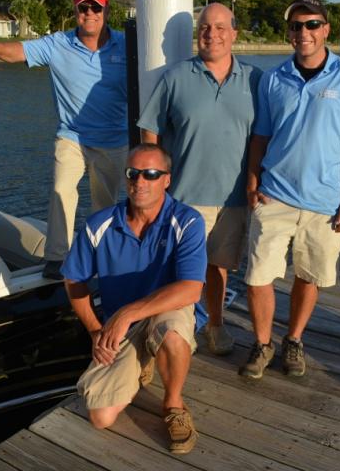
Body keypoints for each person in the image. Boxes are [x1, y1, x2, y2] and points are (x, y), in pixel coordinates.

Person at [240, 0, 340, 380]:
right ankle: (263, 342)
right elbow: (260, 136)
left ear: (326, 29)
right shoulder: (273, 78)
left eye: (312, 24)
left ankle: (294, 339)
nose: (304, 32)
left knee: (309, 274)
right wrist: (252, 180)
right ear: (289, 32)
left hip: (326, 200)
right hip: (274, 194)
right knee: (258, 276)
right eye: (297, 25)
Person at [0, 0, 127, 280]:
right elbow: (18, 51)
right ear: (75, 10)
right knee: (62, 191)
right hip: (71, 137)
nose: (90, 13)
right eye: (83, 7)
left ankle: (102, 257)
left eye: (96, 8)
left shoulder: (126, 45)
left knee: (105, 205)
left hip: (113, 140)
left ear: (106, 10)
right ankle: (57, 257)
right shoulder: (58, 43)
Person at [61, 143, 206, 455]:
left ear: (167, 179)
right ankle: (143, 359)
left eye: (151, 174)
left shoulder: (188, 221)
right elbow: (73, 278)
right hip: (120, 326)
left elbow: (191, 289)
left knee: (172, 335)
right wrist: (94, 329)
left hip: (167, 310)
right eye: (133, 173)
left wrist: (127, 312)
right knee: (101, 417)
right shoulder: (98, 225)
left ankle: (173, 404)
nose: (140, 181)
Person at [138, 3, 261, 356]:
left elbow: (267, 136)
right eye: (205, 27)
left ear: (234, 33)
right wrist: (154, 178)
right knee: (177, 269)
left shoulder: (255, 79)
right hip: (183, 196)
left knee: (218, 268)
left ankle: (216, 325)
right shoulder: (176, 77)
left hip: (233, 198)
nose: (212, 34)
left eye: (220, 27)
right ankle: (176, 331)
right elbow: (151, 129)